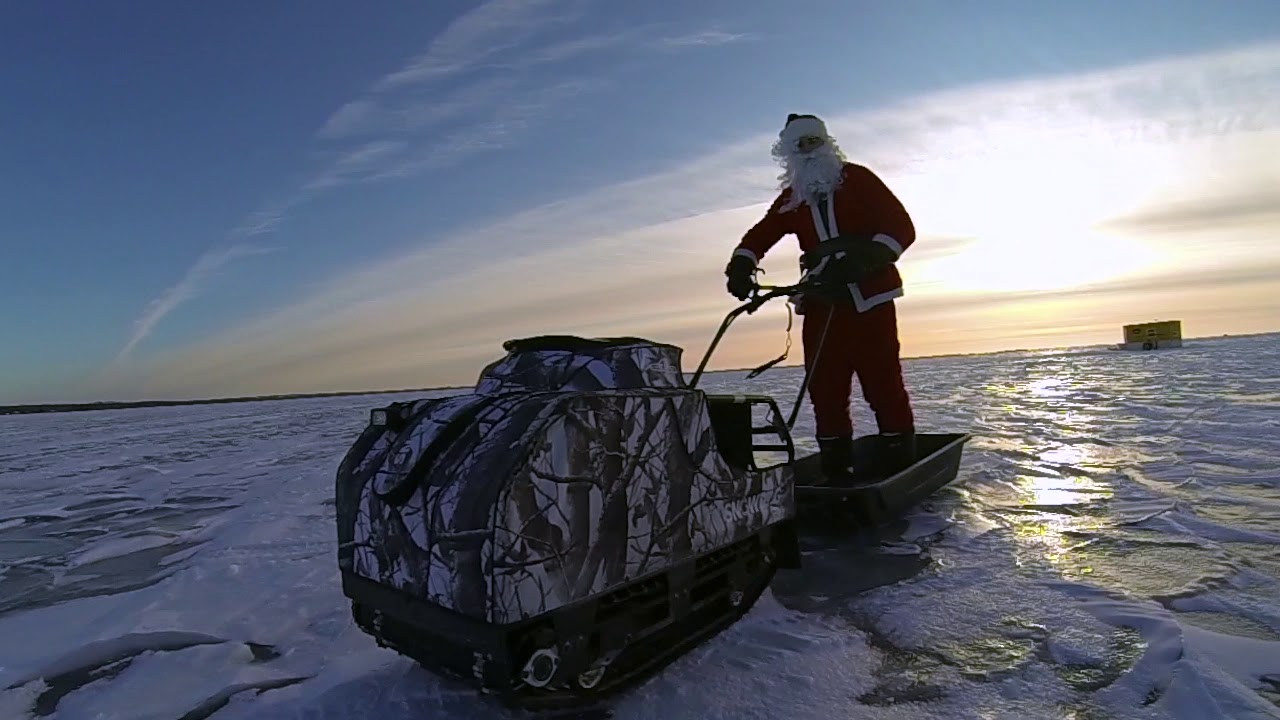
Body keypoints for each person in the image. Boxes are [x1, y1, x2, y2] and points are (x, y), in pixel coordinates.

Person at [724, 113, 916, 481]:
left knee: (882, 382)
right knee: (825, 389)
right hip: (821, 302)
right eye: (801, 144)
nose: (809, 150)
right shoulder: (792, 199)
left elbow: (900, 227)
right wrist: (741, 264)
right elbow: (761, 234)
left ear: (826, 143)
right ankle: (836, 470)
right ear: (790, 152)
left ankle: (899, 464)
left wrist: (865, 260)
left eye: (814, 141)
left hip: (868, 300)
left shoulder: (858, 179)